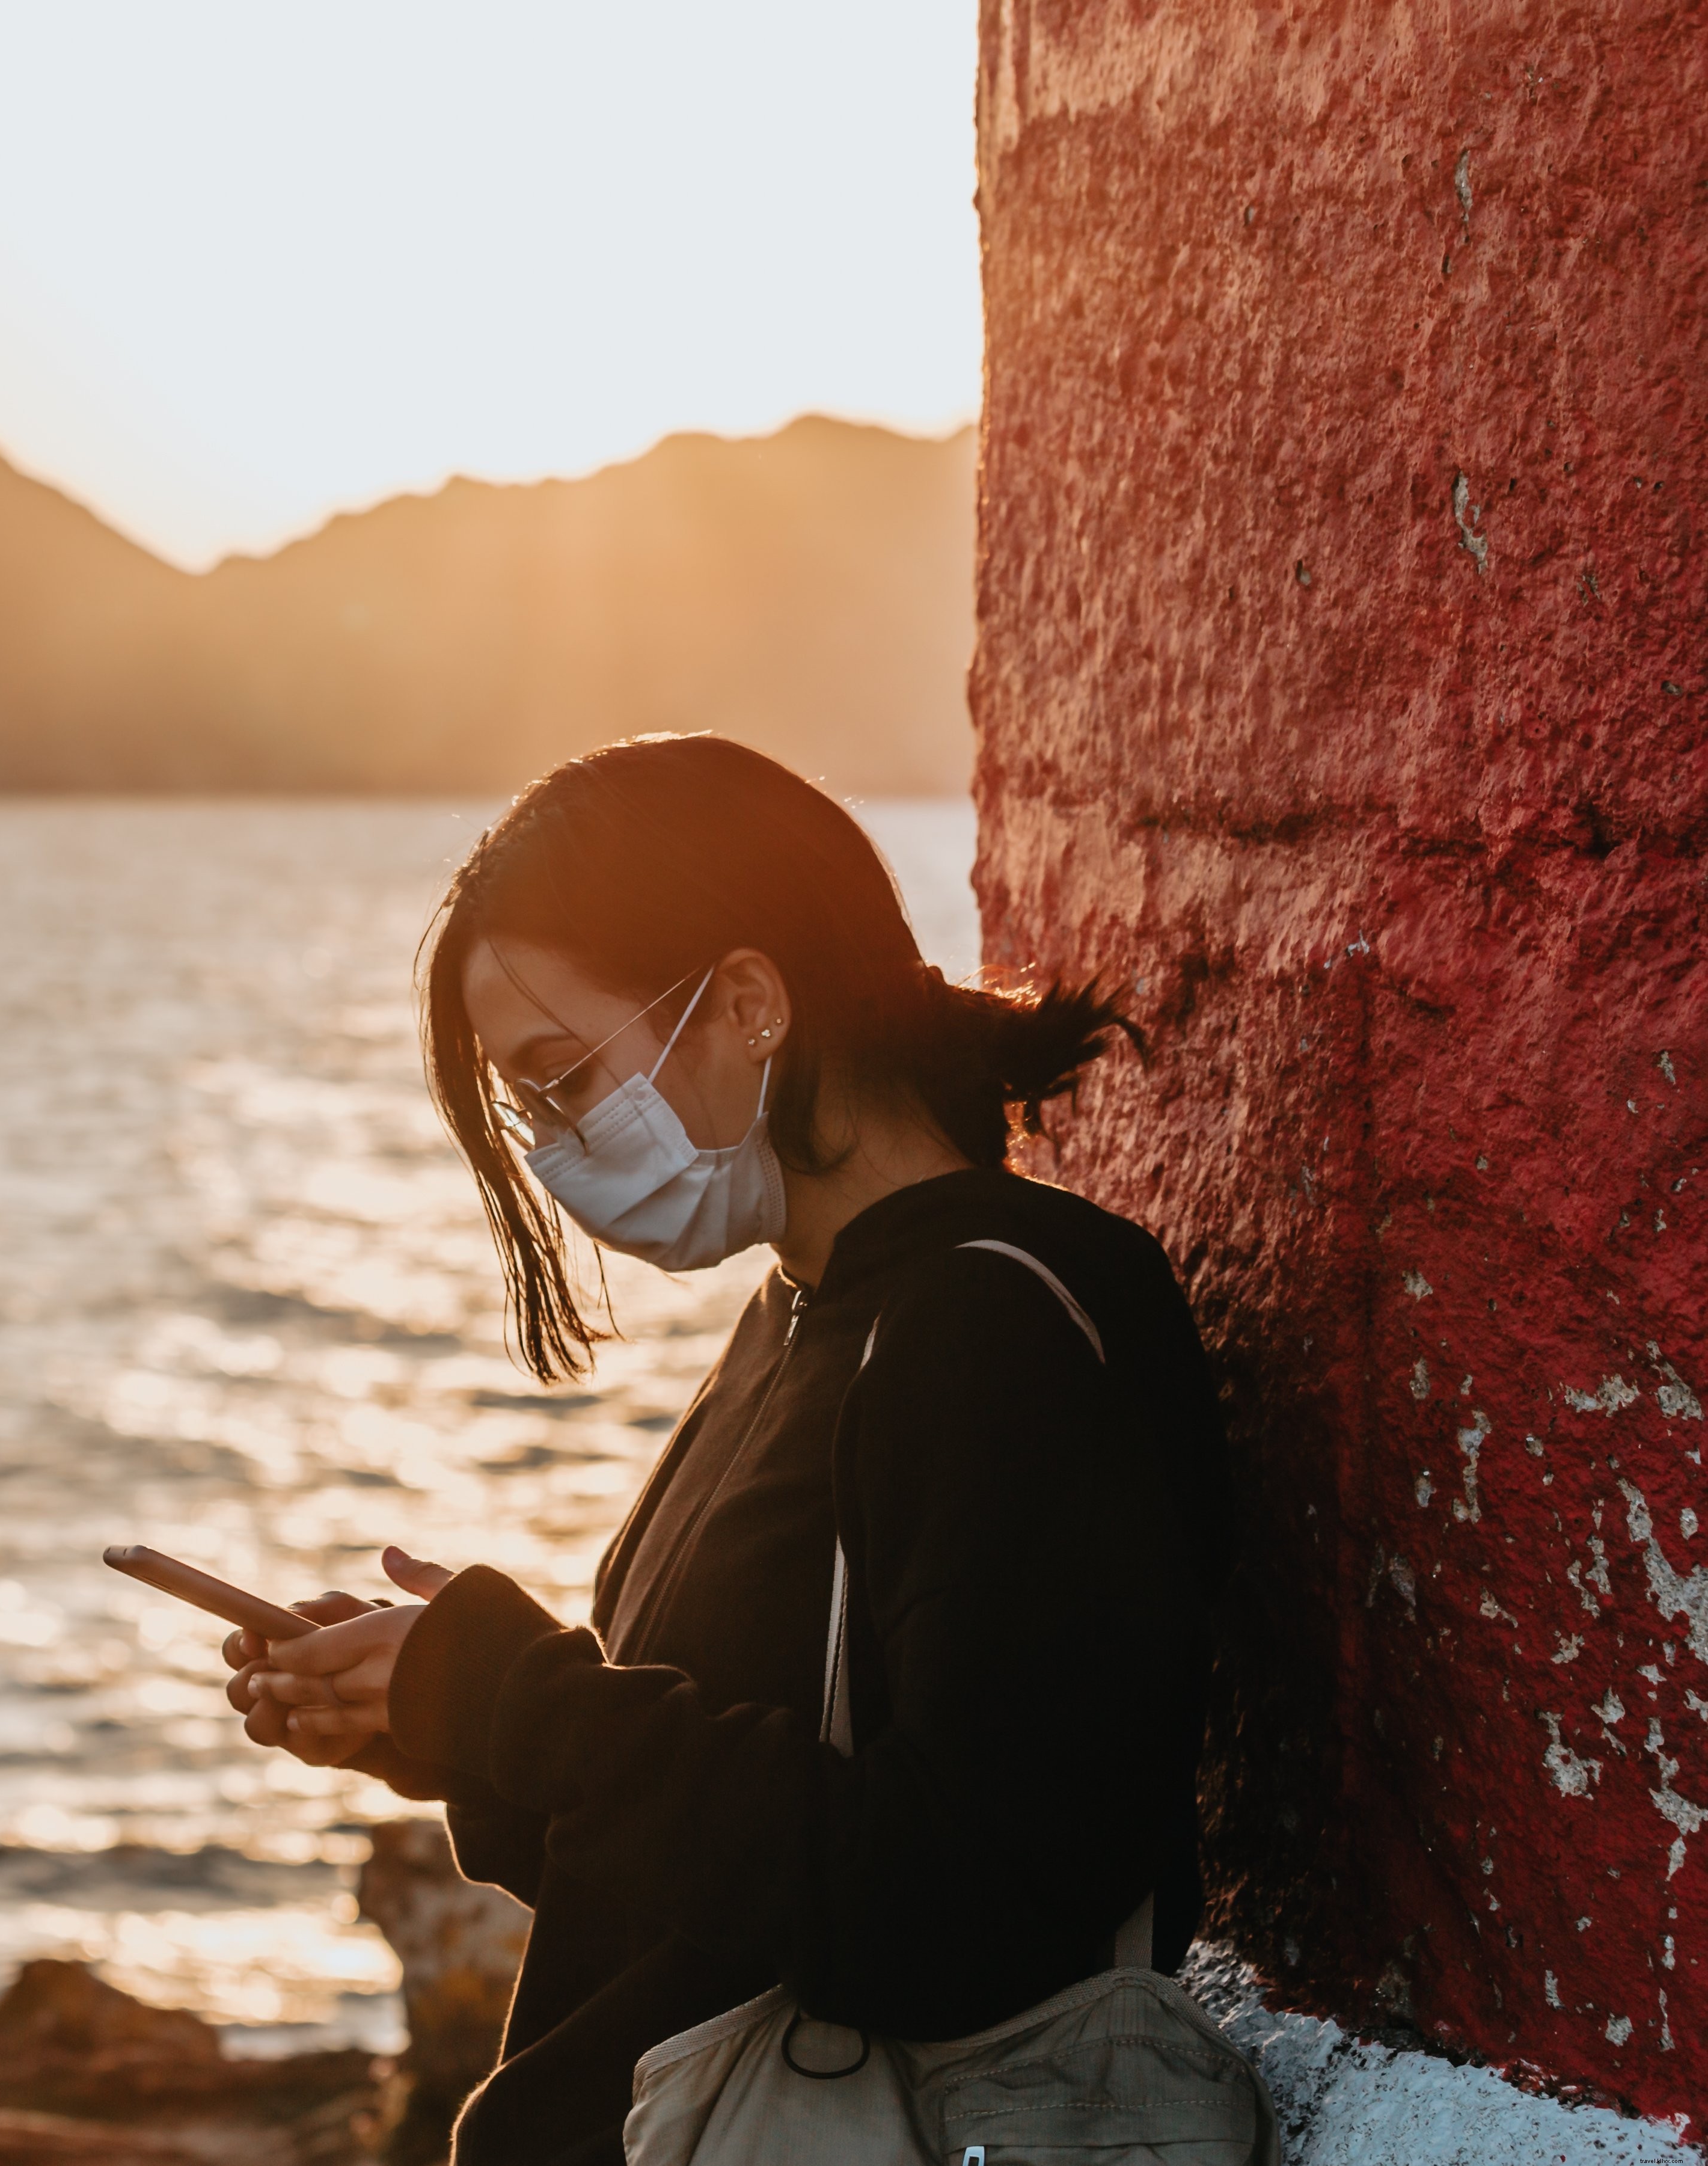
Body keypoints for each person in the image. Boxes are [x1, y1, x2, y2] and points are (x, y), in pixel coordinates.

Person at [222, 735, 1229, 2165]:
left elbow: (964, 1907)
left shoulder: (993, 1330)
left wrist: (525, 1693)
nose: (559, 1153)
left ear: (748, 1000)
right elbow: (715, 1865)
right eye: (527, 1112)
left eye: (565, 1079)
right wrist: (448, 1723)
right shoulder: (803, 1307)